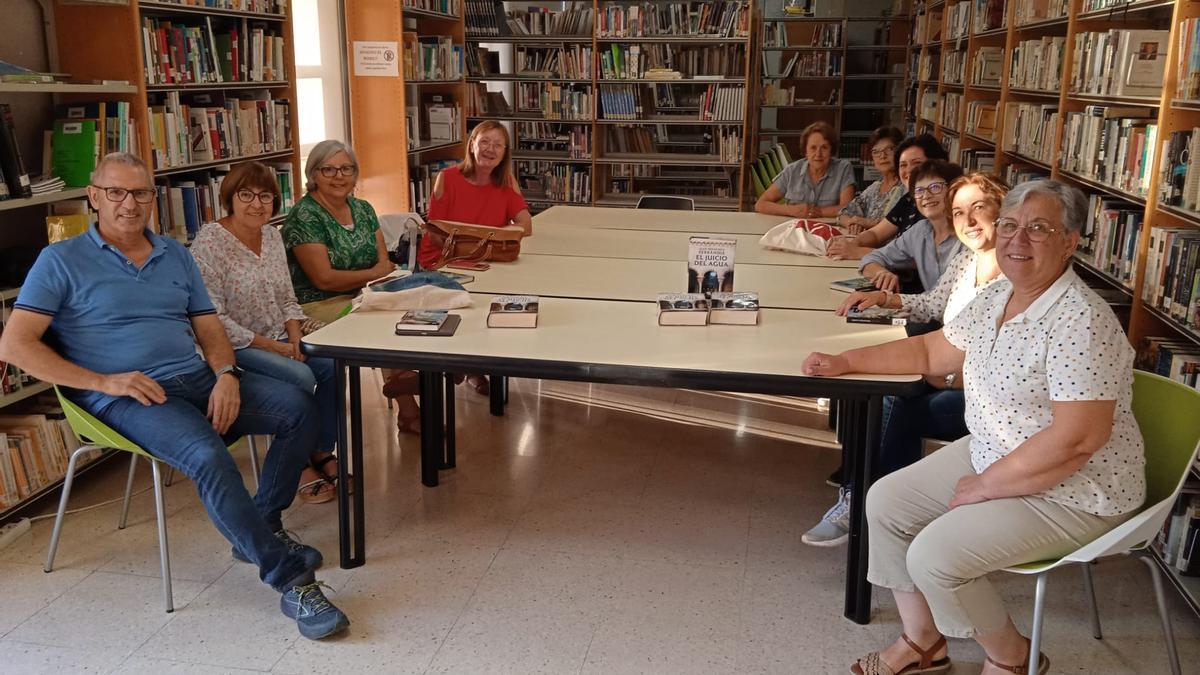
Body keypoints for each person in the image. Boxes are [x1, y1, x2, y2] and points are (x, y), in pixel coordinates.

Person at [0, 153, 350, 640]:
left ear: (153, 198)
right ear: (94, 197)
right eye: (116, 192)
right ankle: (290, 579)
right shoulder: (60, 261)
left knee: (298, 406)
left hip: (196, 376)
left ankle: (261, 523)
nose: (130, 203)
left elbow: (208, 325)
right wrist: (104, 382)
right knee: (208, 455)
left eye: (141, 192)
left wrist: (226, 372)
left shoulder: (174, 253)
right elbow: (14, 345)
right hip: (127, 396)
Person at [801, 179, 1145, 675]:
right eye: (1009, 225)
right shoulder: (1000, 292)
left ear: (1070, 242)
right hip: (998, 450)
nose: (1016, 239)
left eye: (1038, 229)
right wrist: (845, 361)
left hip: (1076, 489)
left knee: (937, 556)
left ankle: (1013, 658)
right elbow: (930, 351)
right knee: (885, 502)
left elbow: (1077, 441)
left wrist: (986, 486)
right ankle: (923, 643)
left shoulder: (1081, 320)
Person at [802, 172, 1008, 547]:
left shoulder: (1014, 276)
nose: (969, 221)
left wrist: (941, 377)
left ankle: (872, 508)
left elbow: (992, 365)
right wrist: (885, 299)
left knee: (894, 404)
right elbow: (933, 304)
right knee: (880, 389)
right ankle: (874, 500)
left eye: (979, 208)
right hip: (948, 372)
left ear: (1003, 210)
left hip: (990, 401)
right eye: (960, 212)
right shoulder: (968, 260)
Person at [191, 160, 342, 504]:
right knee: (300, 376)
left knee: (333, 364)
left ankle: (320, 450)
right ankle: (299, 463)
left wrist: (293, 338)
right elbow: (211, 318)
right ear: (229, 197)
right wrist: (274, 348)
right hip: (234, 346)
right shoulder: (210, 243)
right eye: (246, 195)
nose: (257, 204)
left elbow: (288, 297)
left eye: (265, 197)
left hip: (279, 335)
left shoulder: (273, 235)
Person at [282, 140, 422, 435]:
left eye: (346, 168)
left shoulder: (363, 208)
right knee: (378, 321)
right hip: (316, 304)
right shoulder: (304, 216)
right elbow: (324, 279)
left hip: (365, 294)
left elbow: (384, 265)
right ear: (313, 174)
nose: (339, 176)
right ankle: (407, 393)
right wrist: (371, 275)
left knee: (422, 306)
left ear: (355, 173)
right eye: (328, 169)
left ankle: (415, 381)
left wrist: (373, 277)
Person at [417, 120, 533, 396]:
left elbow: (526, 225)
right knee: (469, 297)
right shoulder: (447, 178)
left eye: (498, 145)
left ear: (505, 153)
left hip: (485, 259)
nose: (490, 150)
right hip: (444, 260)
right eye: (484, 142)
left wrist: (478, 238)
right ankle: (460, 364)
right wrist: (490, 237)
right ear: (472, 144)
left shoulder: (507, 182)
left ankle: (472, 364)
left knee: (502, 294)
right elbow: (436, 233)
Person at [828, 134, 949, 260]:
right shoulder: (909, 199)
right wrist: (852, 244)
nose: (909, 170)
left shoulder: (938, 204)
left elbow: (915, 259)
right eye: (903, 165)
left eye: (917, 163)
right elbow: (876, 233)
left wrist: (858, 252)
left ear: (936, 164)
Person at [857, 160, 966, 295]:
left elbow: (943, 300)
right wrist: (882, 273)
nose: (926, 196)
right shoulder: (920, 231)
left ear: (954, 191)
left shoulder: (968, 235)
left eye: (935, 187)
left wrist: (891, 300)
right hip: (927, 311)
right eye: (919, 190)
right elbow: (871, 258)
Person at [755, 121, 855, 218]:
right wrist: (791, 210)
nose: (818, 154)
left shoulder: (844, 169)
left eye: (824, 148)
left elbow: (847, 208)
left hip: (830, 229)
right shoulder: (792, 171)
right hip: (795, 228)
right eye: (813, 148)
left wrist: (817, 212)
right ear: (805, 151)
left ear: (831, 151)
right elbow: (761, 204)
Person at [837, 126, 904, 233]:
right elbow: (843, 213)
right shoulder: (875, 187)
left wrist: (867, 222)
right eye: (876, 151)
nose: (882, 156)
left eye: (889, 149)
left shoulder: (906, 188)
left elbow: (900, 225)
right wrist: (853, 223)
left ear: (901, 152)